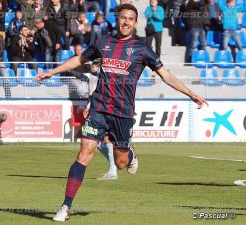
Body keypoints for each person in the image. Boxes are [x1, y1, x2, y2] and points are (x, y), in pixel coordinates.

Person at [36, 4, 207, 222]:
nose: (125, 22)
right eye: (123, 18)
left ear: (135, 23)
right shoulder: (103, 42)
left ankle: (131, 153)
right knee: (84, 153)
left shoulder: (142, 48)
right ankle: (65, 207)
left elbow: (165, 75)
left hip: (123, 114)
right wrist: (52, 71)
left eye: (130, 19)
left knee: (121, 163)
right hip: (99, 108)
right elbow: (79, 60)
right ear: (118, 20)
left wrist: (191, 93)